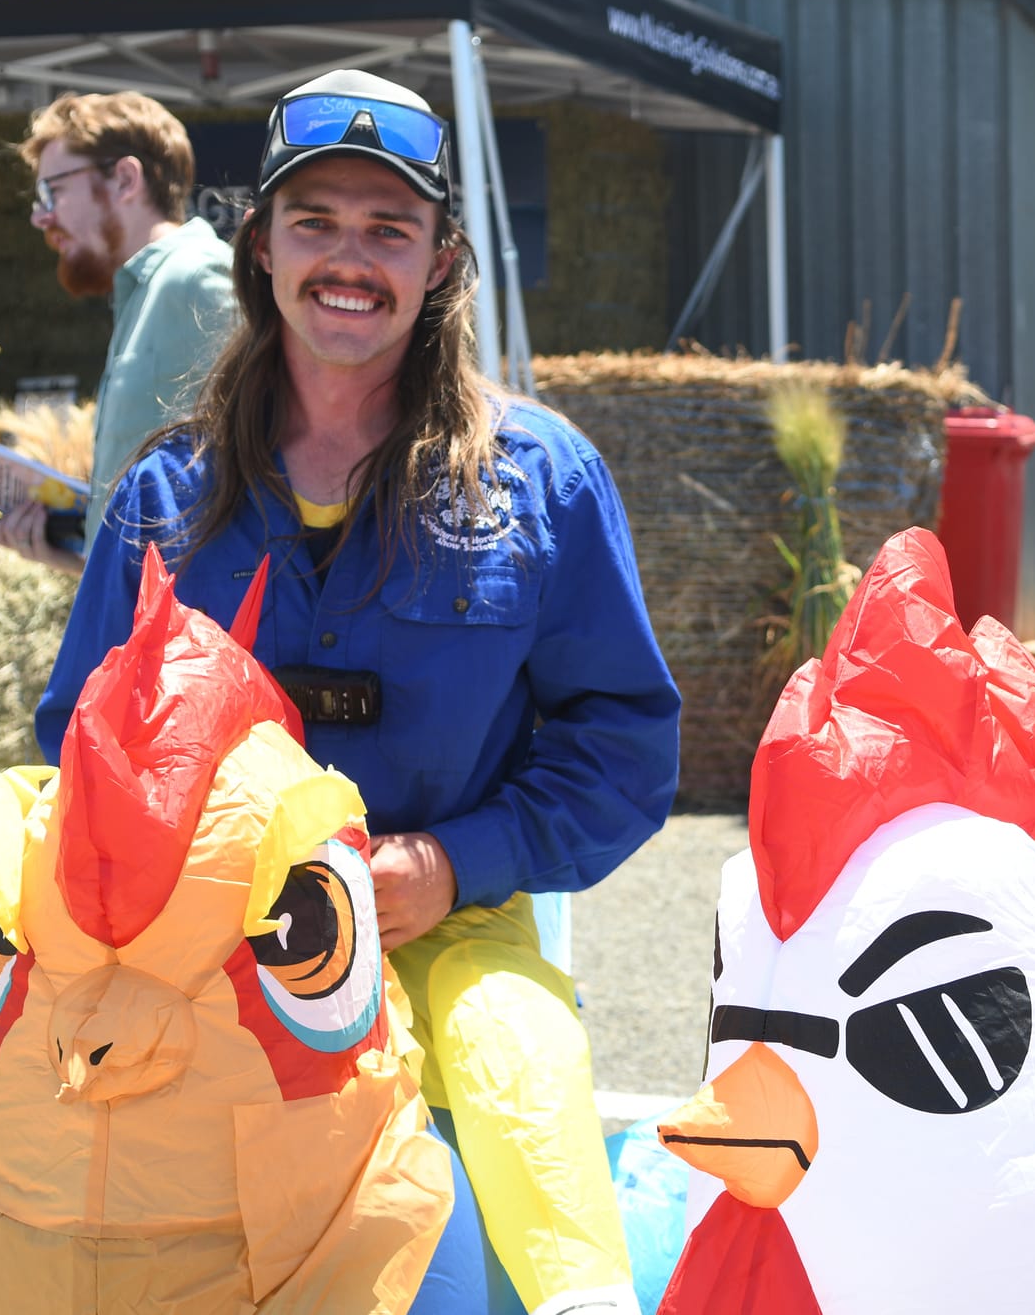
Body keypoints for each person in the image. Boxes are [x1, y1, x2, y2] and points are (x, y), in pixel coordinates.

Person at [33, 70, 680, 1313]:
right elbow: (77, 739)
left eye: (390, 228)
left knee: (520, 1078)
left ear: (440, 260)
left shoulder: (541, 479)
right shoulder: (165, 494)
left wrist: (449, 862)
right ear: (260, 246)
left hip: (454, 928)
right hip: (201, 957)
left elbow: (623, 747)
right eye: (315, 221)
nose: (349, 259)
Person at [0, 91, 236, 575]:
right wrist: (70, 558)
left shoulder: (197, 278)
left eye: (53, 192)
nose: (40, 217)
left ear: (125, 179)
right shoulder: (148, 288)